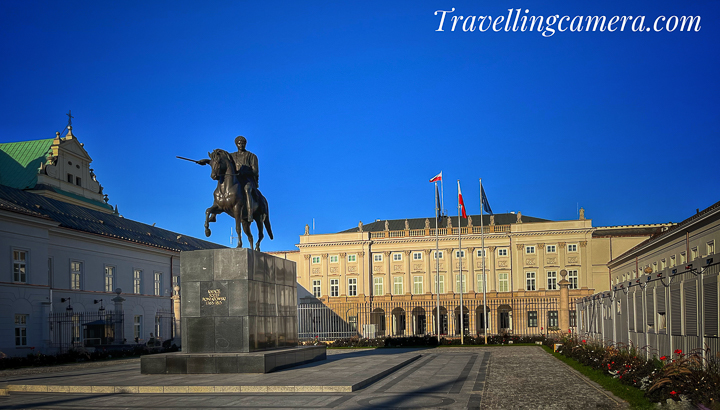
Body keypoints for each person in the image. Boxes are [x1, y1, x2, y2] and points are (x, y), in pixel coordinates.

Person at [199, 136, 259, 223]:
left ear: (245, 144)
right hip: (235, 179)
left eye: (243, 143)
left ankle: (250, 213)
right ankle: (213, 215)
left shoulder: (252, 156)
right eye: (239, 143)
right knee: (220, 188)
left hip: (247, 179)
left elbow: (255, 171)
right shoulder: (232, 156)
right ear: (236, 144)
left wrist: (244, 172)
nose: (241, 145)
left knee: (247, 189)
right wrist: (206, 161)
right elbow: (218, 162)